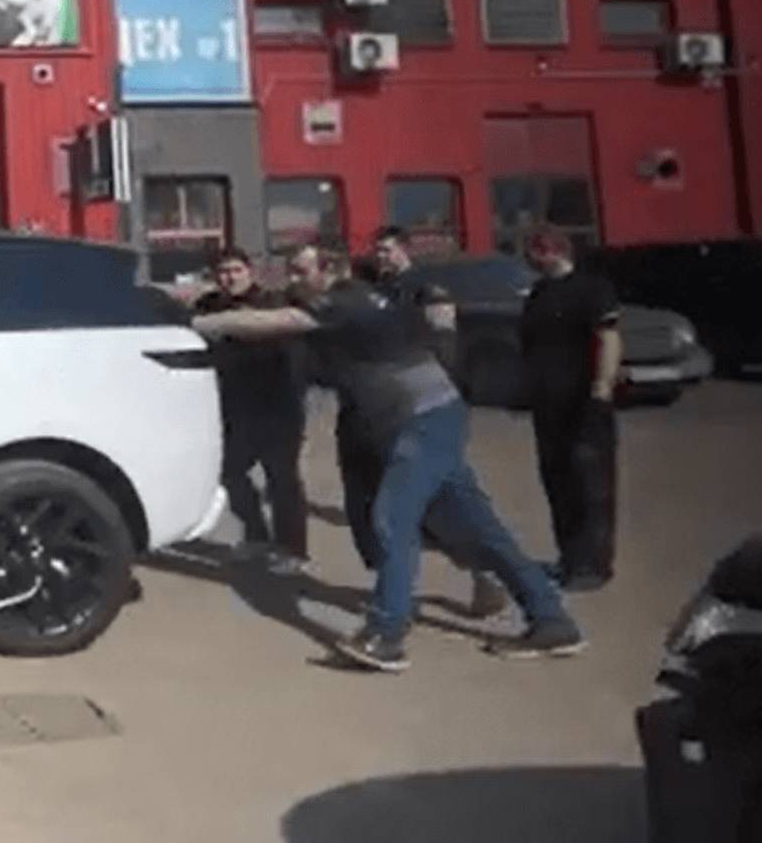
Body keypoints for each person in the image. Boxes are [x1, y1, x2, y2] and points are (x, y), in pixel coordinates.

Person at [192, 242, 585, 672]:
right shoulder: (354, 301)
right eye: (291, 270)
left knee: (393, 519)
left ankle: (386, 635)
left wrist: (198, 322)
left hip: (421, 422)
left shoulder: (346, 299)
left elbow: (275, 322)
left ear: (331, 269)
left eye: (302, 271)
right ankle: (552, 621)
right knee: (480, 529)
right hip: (426, 420)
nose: (293, 279)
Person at [337, 228, 510, 621]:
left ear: (405, 250)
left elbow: (444, 341)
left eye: (387, 250)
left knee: (433, 505)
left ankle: (484, 574)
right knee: (389, 505)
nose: (381, 256)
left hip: (423, 407)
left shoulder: (427, 289)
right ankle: (399, 590)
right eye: (377, 251)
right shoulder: (379, 291)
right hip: (386, 409)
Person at [191, 248, 310, 571]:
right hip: (232, 407)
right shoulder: (207, 306)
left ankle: (293, 550)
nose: (230, 278)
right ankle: (256, 535)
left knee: (281, 480)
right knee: (229, 472)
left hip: (277, 406)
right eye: (223, 272)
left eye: (236, 270)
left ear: (249, 271)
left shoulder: (272, 304)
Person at [520, 226, 624, 591]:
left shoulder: (593, 289)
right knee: (558, 482)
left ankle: (594, 566)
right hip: (547, 407)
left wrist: (602, 388)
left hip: (584, 404)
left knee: (590, 486)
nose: (528, 257)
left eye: (533, 249)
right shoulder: (539, 293)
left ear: (552, 250)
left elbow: (609, 339)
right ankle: (570, 560)